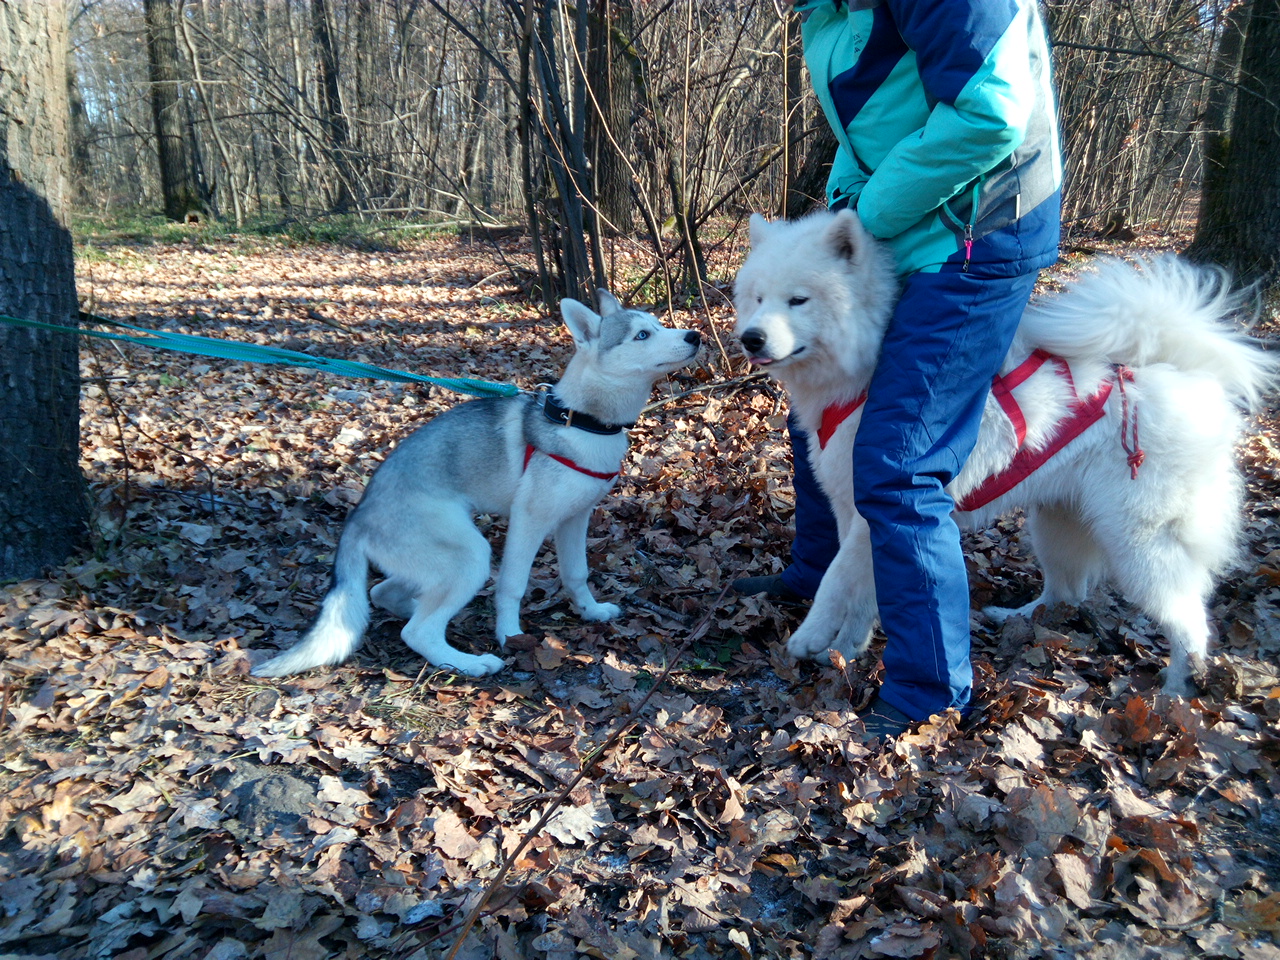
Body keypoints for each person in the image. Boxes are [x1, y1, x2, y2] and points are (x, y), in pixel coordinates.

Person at [734, 0, 1063, 738]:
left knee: (901, 460)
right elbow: (870, 132)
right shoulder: (829, 10)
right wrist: (840, 211)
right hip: (909, 225)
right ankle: (819, 575)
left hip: (978, 227)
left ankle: (930, 691)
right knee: (818, 408)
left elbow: (990, 113)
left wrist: (867, 214)